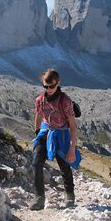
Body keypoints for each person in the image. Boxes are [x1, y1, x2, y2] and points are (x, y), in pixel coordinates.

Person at [29, 68, 82, 210]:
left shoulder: (65, 101)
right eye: (45, 86)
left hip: (62, 133)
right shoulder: (40, 100)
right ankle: (39, 197)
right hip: (46, 131)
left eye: (51, 86)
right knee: (36, 162)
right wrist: (37, 132)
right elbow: (39, 115)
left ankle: (70, 195)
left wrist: (72, 148)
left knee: (64, 165)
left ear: (58, 83)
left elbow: (73, 126)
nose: (49, 89)